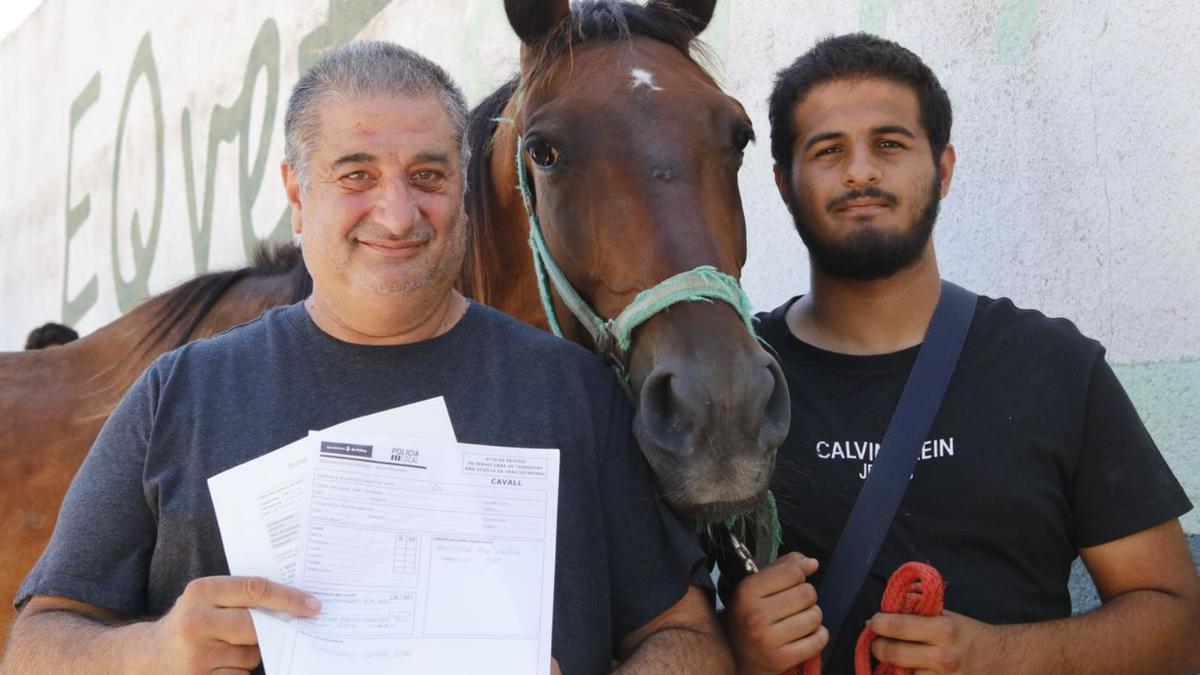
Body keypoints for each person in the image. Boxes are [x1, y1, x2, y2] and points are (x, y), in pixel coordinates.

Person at [3, 42, 732, 675]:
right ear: (297, 192)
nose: (398, 212)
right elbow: (34, 644)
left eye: (428, 174)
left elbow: (690, 640)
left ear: (465, 186)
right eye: (356, 174)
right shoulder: (181, 393)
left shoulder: (574, 390)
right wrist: (151, 652)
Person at [721, 33, 1200, 674]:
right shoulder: (730, 383)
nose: (860, 170)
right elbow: (655, 625)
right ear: (784, 183)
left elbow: (1176, 624)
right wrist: (734, 650)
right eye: (828, 150)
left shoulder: (1053, 367)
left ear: (943, 169)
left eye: (889, 145)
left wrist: (1000, 656)